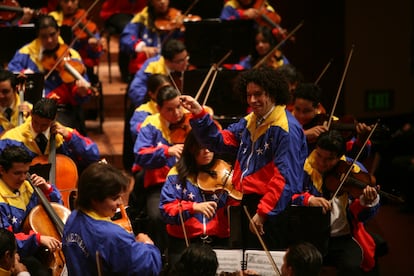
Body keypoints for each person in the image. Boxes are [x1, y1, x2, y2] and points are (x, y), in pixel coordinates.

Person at [180, 67, 308, 250]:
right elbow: (220, 142)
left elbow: (284, 179)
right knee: (249, 261)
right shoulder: (252, 120)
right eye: (249, 95)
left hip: (272, 207)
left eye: (258, 94)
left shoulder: (286, 129)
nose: (252, 100)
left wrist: (263, 213)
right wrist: (200, 114)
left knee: (266, 263)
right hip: (249, 200)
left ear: (272, 93)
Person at [291, 130, 381, 275]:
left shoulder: (354, 170)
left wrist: (368, 202)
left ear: (340, 157)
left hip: (344, 237)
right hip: (309, 237)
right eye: (319, 155)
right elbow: (286, 196)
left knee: (352, 268)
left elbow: (363, 217)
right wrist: (308, 199)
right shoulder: (302, 166)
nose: (321, 162)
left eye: (329, 159)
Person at [62, 161, 162, 276]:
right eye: (115, 198)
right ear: (94, 199)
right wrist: (148, 246)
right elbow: (147, 268)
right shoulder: (111, 236)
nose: (120, 203)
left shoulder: (72, 218)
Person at [159, 131, 240, 267]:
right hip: (185, 242)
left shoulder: (224, 171)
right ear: (191, 149)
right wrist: (193, 207)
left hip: (219, 241)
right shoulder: (176, 174)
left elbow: (236, 207)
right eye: (201, 147)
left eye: (210, 146)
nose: (207, 151)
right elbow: (166, 210)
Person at [7, 15, 92, 135]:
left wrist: (81, 92)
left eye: (52, 35)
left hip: (60, 109)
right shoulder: (25, 53)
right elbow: (10, 78)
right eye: (44, 36)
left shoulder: (72, 55)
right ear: (38, 35)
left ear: (58, 32)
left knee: (53, 131)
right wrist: (22, 75)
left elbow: (81, 95)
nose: (49, 40)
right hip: (29, 108)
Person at [132, 85, 190, 257]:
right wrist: (166, 151)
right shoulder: (151, 124)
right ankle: (161, 256)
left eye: (179, 107)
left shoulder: (190, 121)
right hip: (160, 183)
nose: (177, 113)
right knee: (157, 216)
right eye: (170, 109)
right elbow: (140, 155)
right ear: (159, 108)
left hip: (189, 181)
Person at [0, 145, 63, 276]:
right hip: (14, 254)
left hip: (34, 247)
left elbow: (57, 211)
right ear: (2, 170)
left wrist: (46, 189)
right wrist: (37, 239)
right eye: (17, 173)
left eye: (25, 172)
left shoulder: (28, 186)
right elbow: (6, 241)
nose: (23, 178)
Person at [0, 98, 100, 173]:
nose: (38, 128)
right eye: (35, 122)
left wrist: (71, 138)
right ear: (31, 114)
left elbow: (93, 156)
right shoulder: (11, 138)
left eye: (44, 125)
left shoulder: (66, 136)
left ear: (54, 118)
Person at [292, 82, 372, 159]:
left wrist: (361, 141)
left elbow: (352, 158)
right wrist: (303, 135)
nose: (300, 115)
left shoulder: (332, 123)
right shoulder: (286, 122)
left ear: (318, 108)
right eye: (297, 109)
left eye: (307, 111)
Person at [120, 0, 186, 81]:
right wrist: (143, 47)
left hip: (171, 65)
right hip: (147, 65)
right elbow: (126, 37)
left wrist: (182, 28)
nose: (162, 2)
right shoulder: (142, 17)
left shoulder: (175, 17)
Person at [49, 0, 105, 86]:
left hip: (82, 64)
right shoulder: (53, 19)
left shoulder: (86, 22)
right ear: (60, 3)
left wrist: (94, 47)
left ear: (77, 1)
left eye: (73, 1)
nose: (69, 5)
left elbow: (97, 54)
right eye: (65, 1)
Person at [128, 39, 189, 107]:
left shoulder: (187, 68)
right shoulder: (152, 67)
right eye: (180, 61)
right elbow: (135, 90)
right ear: (167, 61)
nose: (186, 63)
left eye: (186, 58)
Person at [100, 0, 146, 83]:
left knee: (143, 30)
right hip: (115, 13)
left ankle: (138, 69)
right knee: (128, 32)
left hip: (136, 14)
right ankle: (126, 70)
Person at [0, 70, 31, 135]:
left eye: (5, 91)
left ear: (15, 89)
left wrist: (33, 121)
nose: (1, 96)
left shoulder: (30, 111)